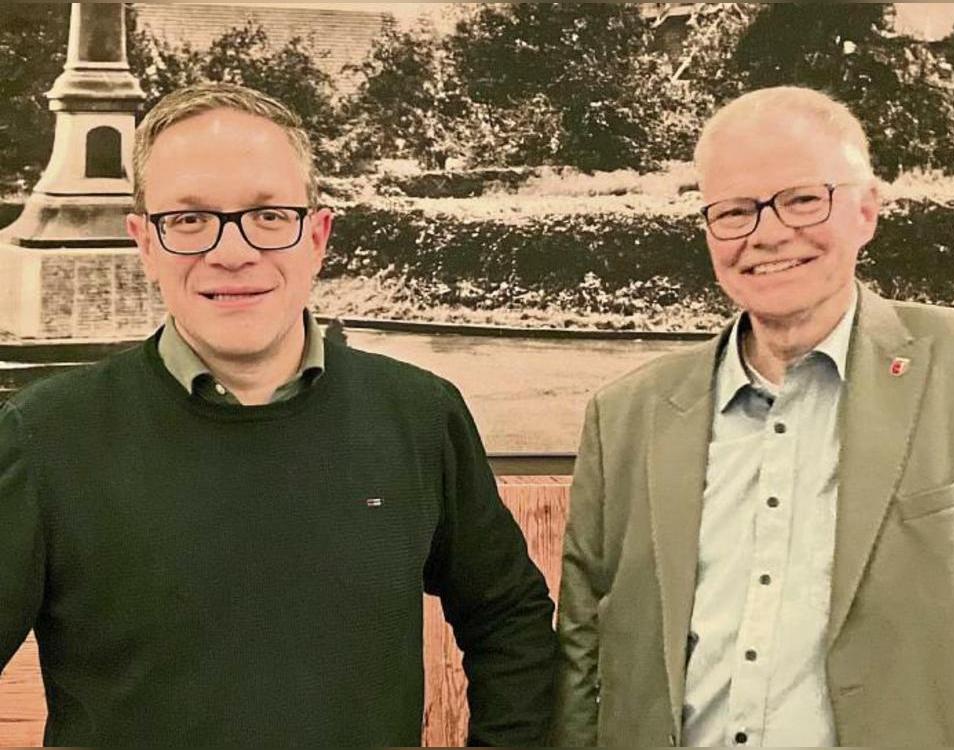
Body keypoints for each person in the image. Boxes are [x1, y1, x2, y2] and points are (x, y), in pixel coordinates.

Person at [0, 82, 556, 747]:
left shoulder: (418, 417)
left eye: (269, 215)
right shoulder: (45, 437)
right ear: (145, 243)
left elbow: (509, 618)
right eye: (189, 219)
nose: (232, 251)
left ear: (317, 236)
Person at [552, 85, 954, 747]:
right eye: (735, 211)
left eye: (802, 200)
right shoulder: (626, 417)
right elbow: (582, 647)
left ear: (866, 211)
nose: (767, 234)